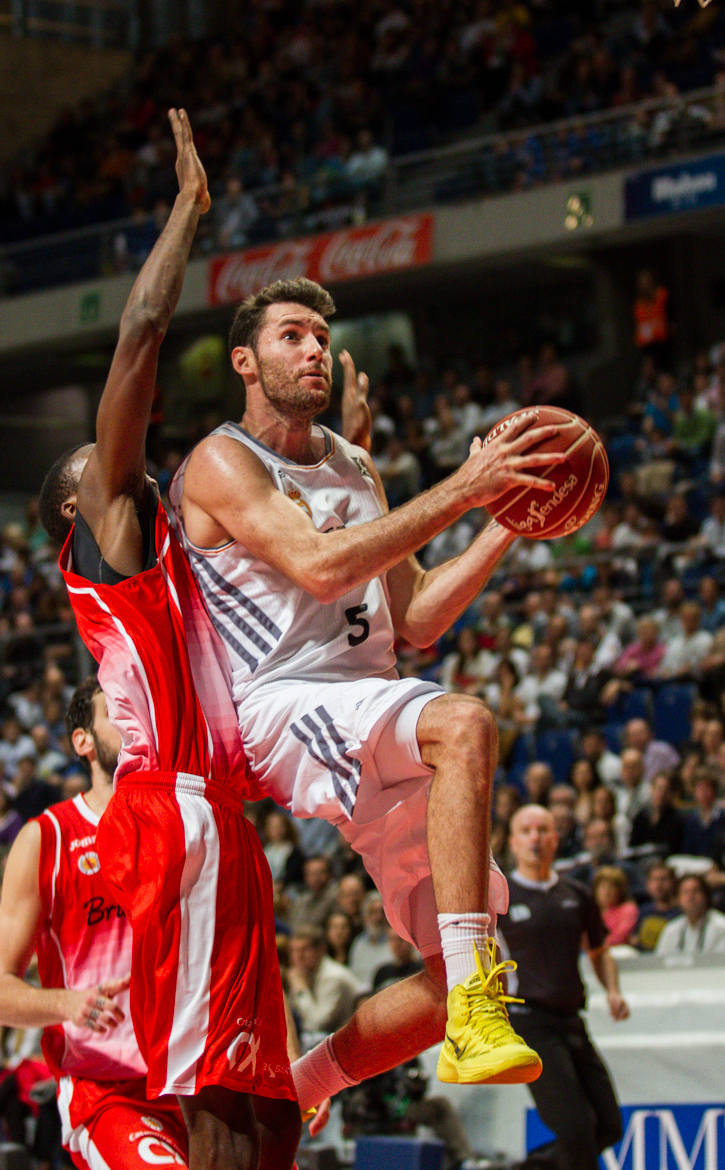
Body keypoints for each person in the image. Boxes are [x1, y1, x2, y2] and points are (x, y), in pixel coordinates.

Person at [171, 275, 564, 1102]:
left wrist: (506, 520)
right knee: (464, 722)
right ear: (244, 360)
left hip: (371, 704)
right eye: (291, 336)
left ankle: (302, 1085)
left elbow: (414, 615)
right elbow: (319, 568)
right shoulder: (222, 460)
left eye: (320, 335)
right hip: (285, 703)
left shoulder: (354, 464)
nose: (313, 348)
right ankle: (479, 1014)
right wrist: (466, 485)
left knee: (454, 969)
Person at [36, 111, 300, 1170]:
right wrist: (188, 216)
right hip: (173, 815)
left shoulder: (173, 548)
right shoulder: (113, 539)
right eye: (93, 465)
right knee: (224, 1114)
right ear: (79, 511)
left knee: (268, 1117)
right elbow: (139, 337)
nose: (116, 461)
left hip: (218, 816)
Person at [0, 678, 190, 1170]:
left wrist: (287, 1067)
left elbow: (241, 952)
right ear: (83, 742)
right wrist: (68, 1003)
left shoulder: (182, 822)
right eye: (115, 710)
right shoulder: (46, 838)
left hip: (202, 1083)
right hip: (112, 1092)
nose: (133, 717)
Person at [499, 806, 627, 1170]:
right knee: (576, 1129)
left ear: (555, 839)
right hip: (528, 1023)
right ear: (513, 841)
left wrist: (613, 991)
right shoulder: (499, 899)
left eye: (542, 830)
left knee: (608, 1126)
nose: (535, 837)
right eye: (525, 830)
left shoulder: (577, 894)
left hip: (572, 1019)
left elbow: (600, 951)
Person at [654, 873, 725, 956]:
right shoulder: (672, 929)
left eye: (695, 891)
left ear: (706, 896)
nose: (690, 897)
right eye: (685, 892)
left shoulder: (721, 926)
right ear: (678, 899)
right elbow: (660, 962)